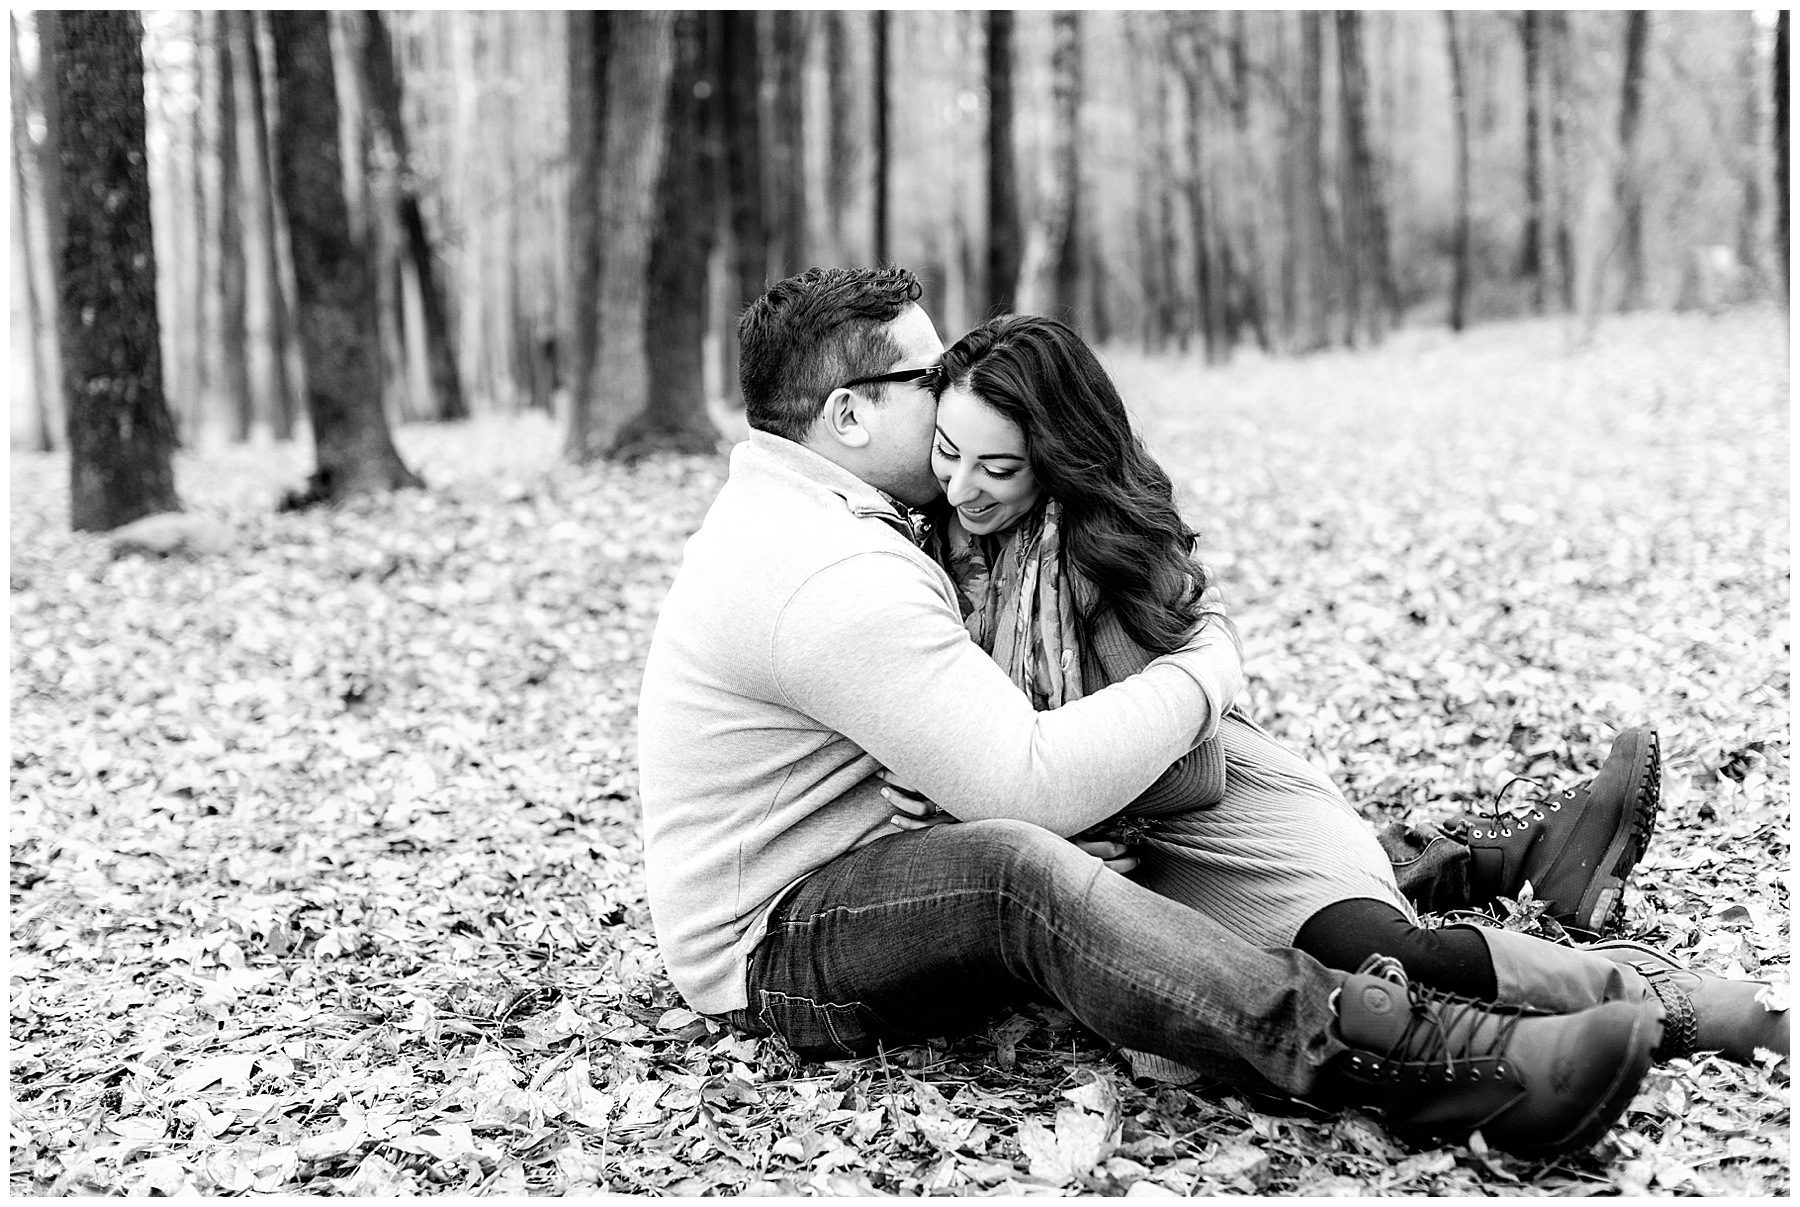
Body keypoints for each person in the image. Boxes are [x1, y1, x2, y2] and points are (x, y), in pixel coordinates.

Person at [636, 266, 1666, 1160]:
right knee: (1021, 869)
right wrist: (1201, 674)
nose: (949, 385)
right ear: (848, 415)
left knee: (1190, 796)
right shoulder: (829, 572)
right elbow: (1021, 785)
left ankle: (1476, 863)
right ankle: (1413, 1054)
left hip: (870, 849)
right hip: (780, 941)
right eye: (924, 373)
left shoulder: (823, 514)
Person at [891, 310, 1786, 1075]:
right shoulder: (932, 551)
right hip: (1102, 865)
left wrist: (1038, 812)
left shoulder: (1103, 557)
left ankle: (1676, 1002)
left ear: (1056, 457)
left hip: (1218, 821)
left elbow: (1194, 770)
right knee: (1321, 1000)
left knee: (1385, 962)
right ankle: (1500, 859)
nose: (962, 486)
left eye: (998, 468)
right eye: (946, 451)